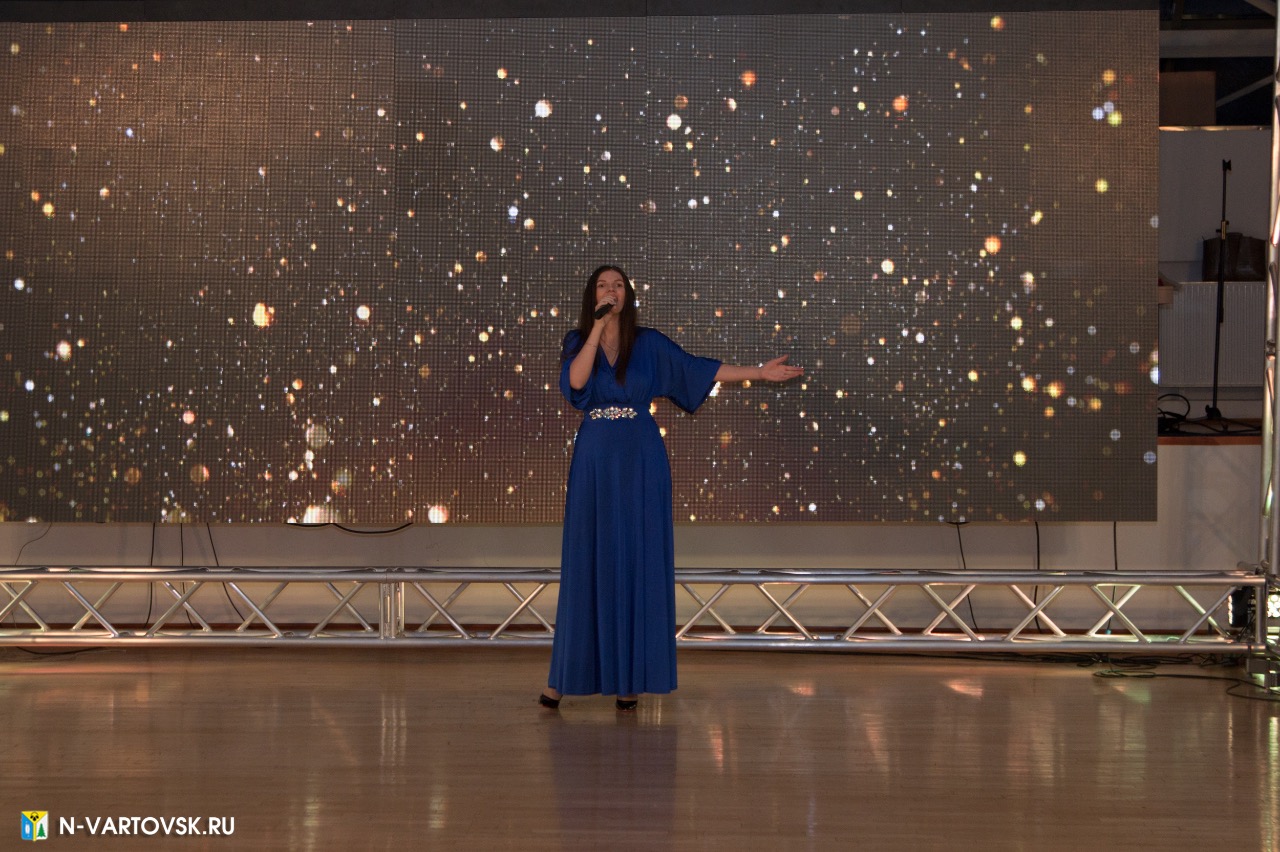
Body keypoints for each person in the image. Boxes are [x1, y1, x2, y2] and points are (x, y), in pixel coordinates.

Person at [539, 265, 803, 712]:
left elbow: (697, 368)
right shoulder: (576, 340)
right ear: (592, 296)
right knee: (589, 558)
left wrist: (758, 372)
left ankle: (629, 680)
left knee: (636, 557)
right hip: (595, 461)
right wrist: (596, 328)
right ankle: (564, 678)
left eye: (618, 285)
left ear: (628, 294)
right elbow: (577, 382)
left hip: (641, 458)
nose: (611, 290)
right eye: (603, 285)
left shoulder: (649, 343)